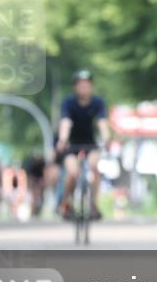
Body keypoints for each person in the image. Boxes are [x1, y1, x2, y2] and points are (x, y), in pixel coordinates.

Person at [56, 69, 110, 220]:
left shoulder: (98, 103)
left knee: (94, 168)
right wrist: (62, 139)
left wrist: (106, 139)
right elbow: (66, 122)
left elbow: (102, 123)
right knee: (72, 173)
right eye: (80, 85)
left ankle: (94, 204)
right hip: (71, 145)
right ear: (76, 87)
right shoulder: (69, 102)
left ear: (91, 86)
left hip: (90, 144)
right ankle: (66, 203)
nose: (84, 88)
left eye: (86, 85)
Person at [22, 153, 47, 217]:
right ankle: (33, 209)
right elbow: (30, 176)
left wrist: (43, 181)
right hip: (33, 177)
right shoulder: (31, 164)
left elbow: (44, 173)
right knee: (34, 194)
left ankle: (38, 207)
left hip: (39, 177)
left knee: (40, 192)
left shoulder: (42, 163)